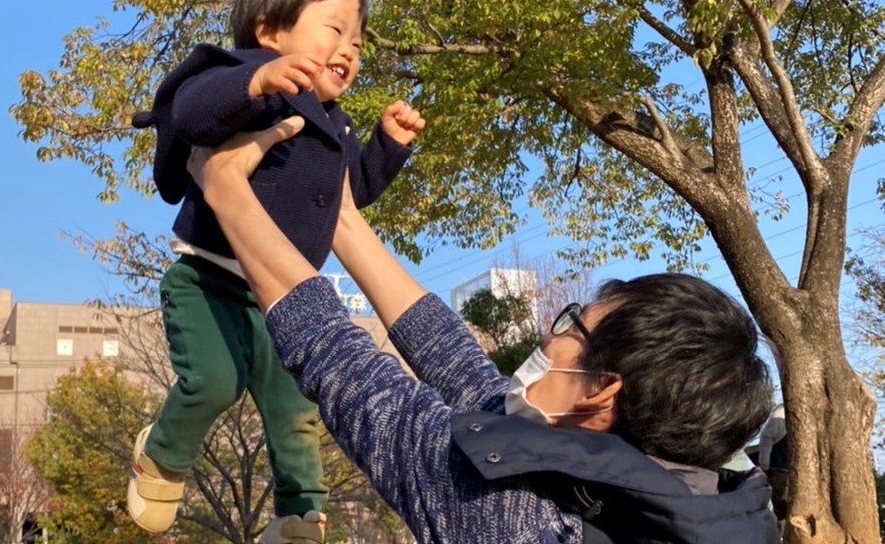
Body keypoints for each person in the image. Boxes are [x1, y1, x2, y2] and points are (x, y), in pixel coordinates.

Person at [184, 118, 781, 543]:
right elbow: (460, 366)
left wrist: (226, 188)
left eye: (571, 325)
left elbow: (348, 370)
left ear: (601, 389)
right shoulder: (701, 503)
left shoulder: (515, 519)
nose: (548, 340)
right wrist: (342, 219)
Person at [126, 0, 425, 543]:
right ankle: (160, 460)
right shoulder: (245, 80)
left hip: (283, 301)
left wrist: (386, 148)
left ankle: (299, 515)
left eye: (359, 43)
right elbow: (190, 113)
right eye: (334, 30)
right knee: (214, 382)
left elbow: (344, 199)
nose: (348, 50)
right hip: (208, 281)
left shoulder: (334, 125)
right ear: (270, 31)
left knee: (297, 413)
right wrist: (255, 78)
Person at [758, 404, 789, 521]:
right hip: (780, 469)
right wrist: (764, 464)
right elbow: (766, 438)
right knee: (784, 507)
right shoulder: (780, 414)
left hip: (791, 470)